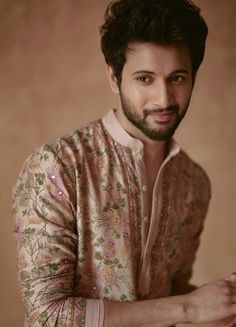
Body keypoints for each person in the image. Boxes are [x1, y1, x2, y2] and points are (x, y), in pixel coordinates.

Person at [13, 0, 236, 326]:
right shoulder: (56, 167)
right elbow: (47, 316)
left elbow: (165, 298)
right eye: (144, 78)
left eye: (177, 77)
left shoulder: (194, 183)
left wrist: (221, 302)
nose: (163, 98)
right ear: (114, 78)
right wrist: (190, 308)